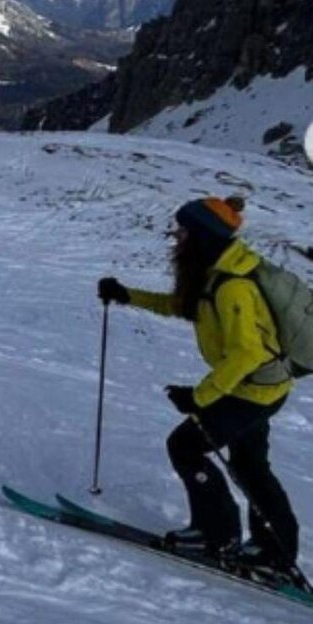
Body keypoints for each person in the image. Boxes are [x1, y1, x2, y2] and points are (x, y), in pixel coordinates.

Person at [98, 195, 299, 575]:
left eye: (184, 230)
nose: (177, 236)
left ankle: (216, 535)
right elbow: (183, 305)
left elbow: (247, 353)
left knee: (186, 446)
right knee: (250, 465)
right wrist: (128, 295)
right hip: (260, 387)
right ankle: (274, 552)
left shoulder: (231, 286)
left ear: (204, 235)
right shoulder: (215, 272)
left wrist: (199, 397)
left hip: (252, 389)